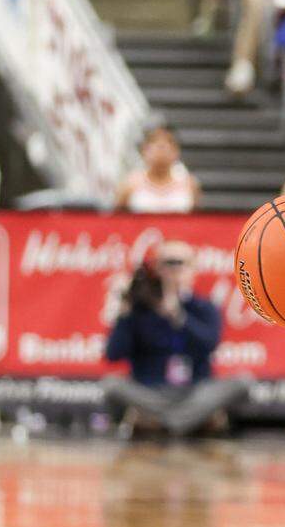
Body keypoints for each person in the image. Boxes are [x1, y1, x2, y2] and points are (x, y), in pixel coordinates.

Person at [104, 243, 249, 437]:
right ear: (155, 268)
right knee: (111, 385)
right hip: (152, 392)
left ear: (193, 269)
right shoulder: (140, 308)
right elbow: (113, 354)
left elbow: (209, 344)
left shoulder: (204, 308)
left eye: (180, 263)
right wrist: (124, 313)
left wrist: (179, 317)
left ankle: (166, 423)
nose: (174, 270)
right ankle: (190, 422)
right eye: (167, 263)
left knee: (243, 382)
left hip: (194, 391)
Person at [115, 124, 200, 212]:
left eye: (169, 141)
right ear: (143, 150)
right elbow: (117, 221)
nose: (161, 146)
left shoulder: (189, 184)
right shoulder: (129, 185)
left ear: (177, 151)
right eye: (154, 141)